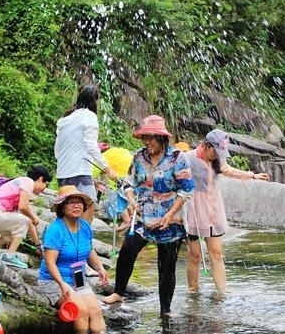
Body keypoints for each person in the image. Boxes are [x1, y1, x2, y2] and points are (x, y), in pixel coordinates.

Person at [101, 115, 194, 318]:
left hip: (170, 222)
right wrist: (132, 201)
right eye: (144, 138)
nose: (147, 142)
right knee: (127, 250)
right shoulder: (139, 157)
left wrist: (170, 214)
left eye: (150, 138)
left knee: (166, 267)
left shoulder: (177, 158)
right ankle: (118, 293)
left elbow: (187, 190)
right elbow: (129, 183)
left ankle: (165, 310)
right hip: (143, 218)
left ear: (161, 138)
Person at [184, 129, 269, 294]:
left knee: (216, 252)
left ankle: (221, 293)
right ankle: (192, 293)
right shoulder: (188, 158)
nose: (218, 155)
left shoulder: (219, 159)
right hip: (193, 210)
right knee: (195, 256)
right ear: (206, 145)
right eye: (216, 151)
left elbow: (228, 170)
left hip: (213, 209)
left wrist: (251, 175)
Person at [37, 186, 109, 334]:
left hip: (78, 279)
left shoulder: (84, 226)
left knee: (95, 311)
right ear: (62, 208)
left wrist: (100, 268)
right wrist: (62, 285)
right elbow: (50, 262)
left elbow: (89, 250)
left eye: (79, 202)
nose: (76, 205)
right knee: (81, 310)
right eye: (70, 202)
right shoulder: (54, 230)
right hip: (54, 281)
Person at [54, 84, 119, 226]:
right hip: (79, 172)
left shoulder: (64, 119)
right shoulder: (90, 116)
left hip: (63, 173)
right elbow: (91, 146)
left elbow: (57, 150)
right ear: (94, 101)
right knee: (87, 212)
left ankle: (64, 244)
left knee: (66, 214)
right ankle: (84, 245)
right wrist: (107, 169)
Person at [0, 165, 52, 269]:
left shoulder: (18, 185)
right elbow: (23, 207)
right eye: (46, 184)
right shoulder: (28, 181)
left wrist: (38, 244)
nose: (44, 189)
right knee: (22, 221)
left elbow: (28, 223)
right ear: (41, 179)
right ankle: (9, 256)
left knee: (13, 232)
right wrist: (34, 217)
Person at [92, 143, 133, 231]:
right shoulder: (118, 151)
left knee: (116, 200)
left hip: (120, 180)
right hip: (131, 176)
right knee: (130, 201)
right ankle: (132, 221)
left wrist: (95, 181)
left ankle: (126, 221)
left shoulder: (103, 157)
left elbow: (90, 174)